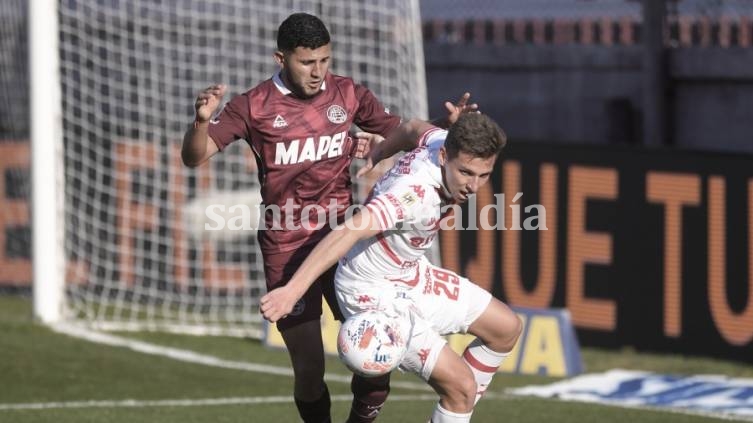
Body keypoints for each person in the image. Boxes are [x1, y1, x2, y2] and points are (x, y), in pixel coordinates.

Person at [181, 12, 478, 423]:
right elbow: (194, 157)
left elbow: (403, 133)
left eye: (324, 60)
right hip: (285, 246)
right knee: (308, 371)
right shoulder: (253, 106)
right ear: (280, 58)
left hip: (345, 243)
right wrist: (200, 123)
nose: (318, 71)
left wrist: (449, 131)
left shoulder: (348, 94)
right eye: (307, 62)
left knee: (378, 352)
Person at [260, 113, 523, 423]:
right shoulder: (413, 194)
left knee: (507, 328)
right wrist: (293, 290)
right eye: (465, 172)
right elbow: (350, 230)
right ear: (443, 157)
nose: (474, 185)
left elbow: (412, 128)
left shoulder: (440, 140)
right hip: (372, 290)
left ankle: (458, 406)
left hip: (408, 273)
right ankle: (458, 402)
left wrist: (380, 150)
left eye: (483, 174)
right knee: (461, 387)